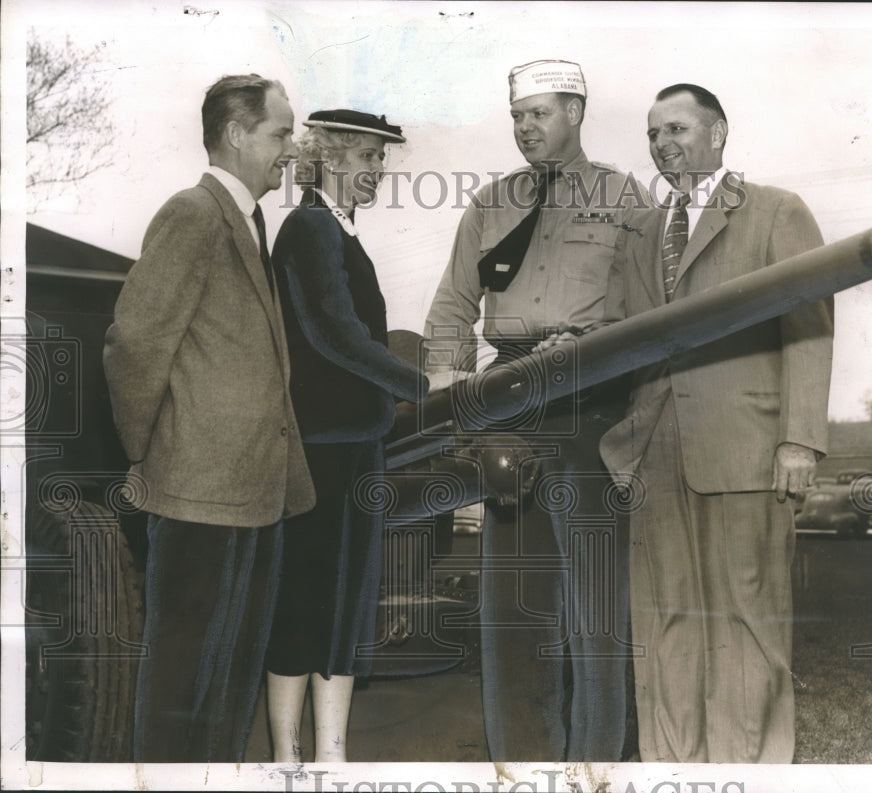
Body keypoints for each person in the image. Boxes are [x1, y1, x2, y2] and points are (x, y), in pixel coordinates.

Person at [599, 83, 834, 763]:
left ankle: (750, 772)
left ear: (718, 133)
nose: (662, 143)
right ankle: (672, 770)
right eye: (653, 134)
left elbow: (810, 327)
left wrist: (799, 438)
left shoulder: (777, 211)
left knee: (746, 621)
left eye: (676, 128)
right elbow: (618, 335)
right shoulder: (641, 231)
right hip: (654, 453)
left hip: (747, 450)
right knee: (664, 623)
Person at [423, 60, 644, 761]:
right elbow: (453, 305)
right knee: (515, 604)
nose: (524, 128)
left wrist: (594, 342)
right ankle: (520, 763)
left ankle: (600, 764)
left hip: (591, 399)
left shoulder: (623, 196)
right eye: (517, 116)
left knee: (595, 608)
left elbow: (651, 300)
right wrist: (452, 395)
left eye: (538, 114)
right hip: (512, 404)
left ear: (575, 112)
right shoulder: (491, 203)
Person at [103, 74, 315, 762]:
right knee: (181, 687)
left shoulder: (248, 221)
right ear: (236, 134)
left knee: (228, 685)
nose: (291, 148)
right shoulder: (193, 214)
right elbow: (135, 343)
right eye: (281, 133)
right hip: (197, 496)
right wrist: (150, 454)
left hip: (253, 496)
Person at [263, 109, 453, 762]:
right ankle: (289, 760)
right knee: (308, 603)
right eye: (369, 156)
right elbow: (335, 332)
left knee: (342, 607)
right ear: (331, 157)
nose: (379, 170)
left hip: (351, 445)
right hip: (323, 449)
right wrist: (421, 384)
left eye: (381, 158)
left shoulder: (337, 229)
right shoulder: (311, 226)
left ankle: (329, 757)